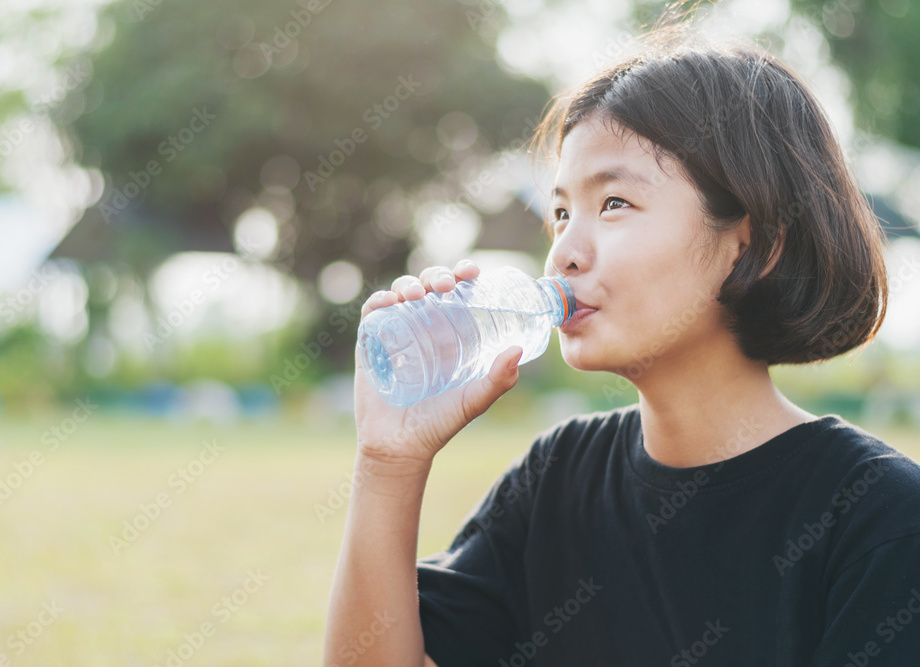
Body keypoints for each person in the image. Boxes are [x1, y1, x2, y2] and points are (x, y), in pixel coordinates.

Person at [322, 24, 920, 667]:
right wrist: (388, 464)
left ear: (752, 244)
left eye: (613, 202)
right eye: (560, 213)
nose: (565, 253)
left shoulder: (878, 520)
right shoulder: (556, 480)